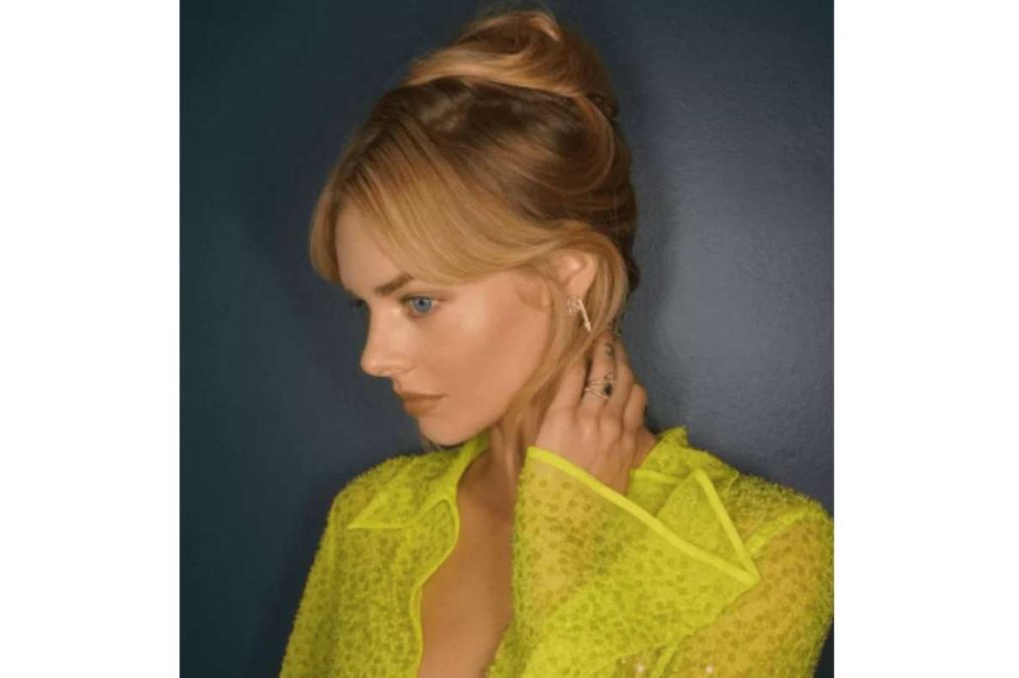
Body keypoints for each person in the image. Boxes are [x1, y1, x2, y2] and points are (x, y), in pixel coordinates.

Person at [280, 7, 833, 677]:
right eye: (363, 306)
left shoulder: (764, 548)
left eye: (419, 302)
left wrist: (562, 532)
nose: (373, 359)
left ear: (571, 273)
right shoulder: (369, 516)